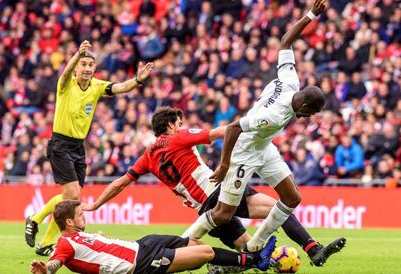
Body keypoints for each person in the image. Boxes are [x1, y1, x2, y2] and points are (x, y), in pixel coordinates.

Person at [82, 107, 345, 269]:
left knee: (250, 252)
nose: (182, 126)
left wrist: (95, 204)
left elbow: (120, 182)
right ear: (172, 125)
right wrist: (249, 128)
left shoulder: (147, 156)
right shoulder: (178, 138)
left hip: (203, 209)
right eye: (179, 123)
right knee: (280, 209)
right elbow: (221, 132)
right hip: (219, 193)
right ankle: (312, 248)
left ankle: (260, 265)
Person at [181, 0, 329, 255]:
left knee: (292, 198)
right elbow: (234, 128)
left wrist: (311, 15)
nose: (308, 117)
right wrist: (225, 163)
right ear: (304, 104)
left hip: (263, 146)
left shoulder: (290, 79)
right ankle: (179, 244)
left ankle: (254, 247)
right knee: (223, 214)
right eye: (311, 112)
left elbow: (285, 41)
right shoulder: (272, 116)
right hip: (244, 150)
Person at [25, 40, 154, 256]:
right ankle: (36, 219)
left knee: (72, 200)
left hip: (78, 147)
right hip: (60, 143)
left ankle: (45, 242)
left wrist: (138, 80)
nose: (86, 68)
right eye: (83, 64)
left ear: (94, 69)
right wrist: (77, 54)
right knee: (72, 194)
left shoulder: (96, 86)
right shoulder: (66, 84)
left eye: (89, 65)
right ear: (77, 67)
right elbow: (65, 74)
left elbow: (119, 87)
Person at [29, 200, 276, 274]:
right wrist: (46, 270)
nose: (84, 216)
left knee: (196, 244)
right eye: (80, 214)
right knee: (206, 253)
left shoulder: (79, 236)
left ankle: (225, 268)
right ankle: (255, 261)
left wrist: (100, 238)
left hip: (143, 244)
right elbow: (55, 263)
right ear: (69, 222)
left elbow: (95, 249)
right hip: (141, 264)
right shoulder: (64, 244)